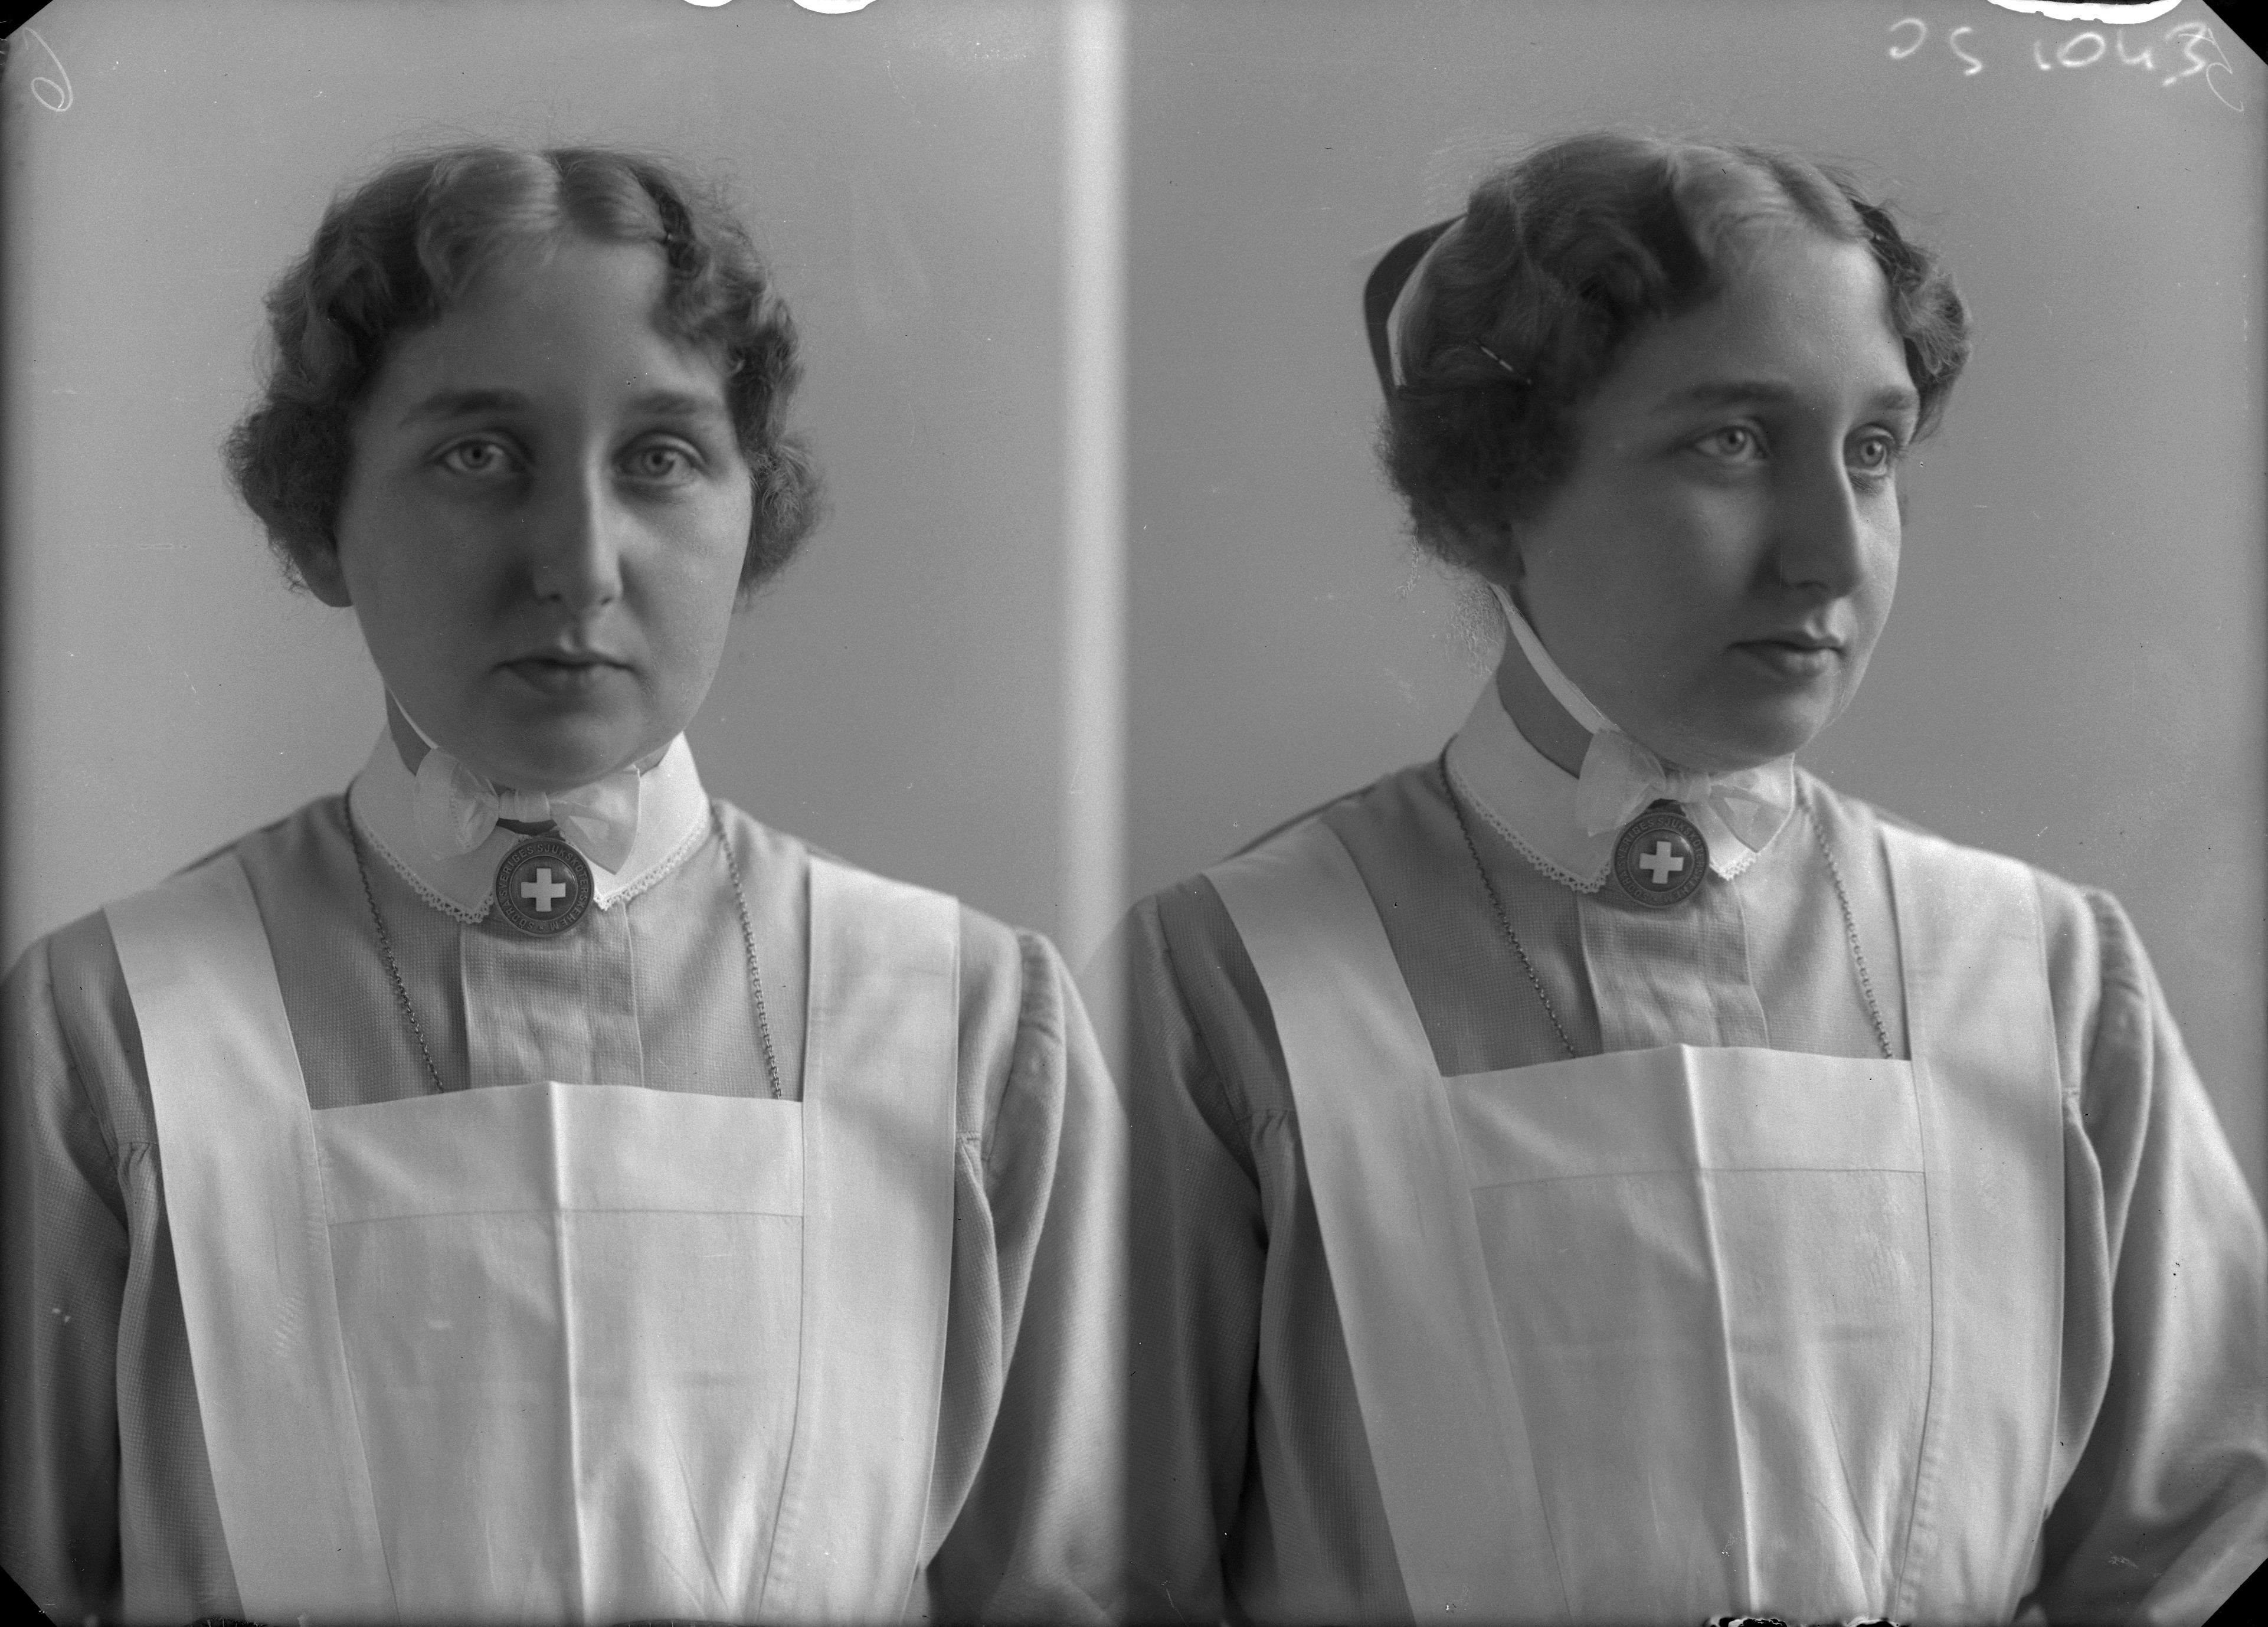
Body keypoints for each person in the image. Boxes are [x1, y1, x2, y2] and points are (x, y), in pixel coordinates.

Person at [1111, 133, 2267, 1626]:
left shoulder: (2043, 971)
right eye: (1728, 441)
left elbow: (2209, 1539)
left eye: (1871, 450)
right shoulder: (1230, 976)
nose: (1828, 554)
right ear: (1488, 499)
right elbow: (1099, 1573)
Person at [2, 145, 1125, 1626]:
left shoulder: (975, 1024)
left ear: (752, 507)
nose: (579, 566)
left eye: (659, 457)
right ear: (323, 513)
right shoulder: (111, 1027)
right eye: (479, 455)